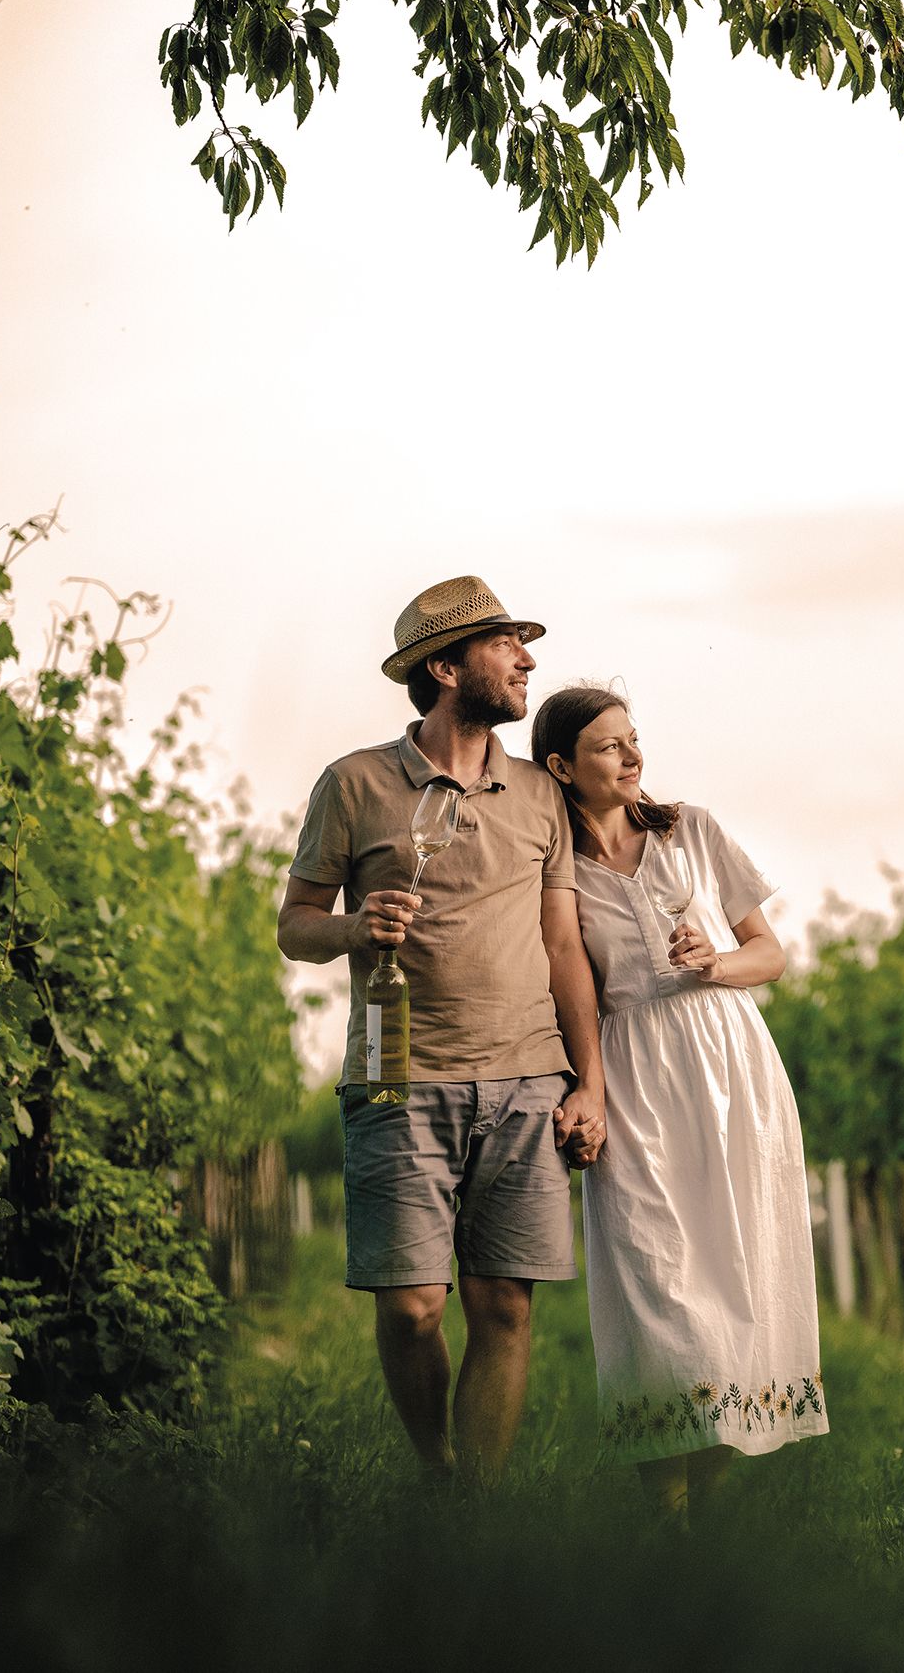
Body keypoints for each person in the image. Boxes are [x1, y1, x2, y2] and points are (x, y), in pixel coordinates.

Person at [278, 576, 608, 1484]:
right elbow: (295, 924)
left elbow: (563, 944)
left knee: (504, 1304)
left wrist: (591, 1081)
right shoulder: (353, 784)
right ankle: (437, 1469)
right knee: (414, 1306)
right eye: (506, 645)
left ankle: (476, 1510)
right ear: (447, 666)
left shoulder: (542, 794)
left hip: (528, 1078)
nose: (527, 659)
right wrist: (356, 925)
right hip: (395, 1070)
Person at [530, 682, 827, 1516]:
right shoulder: (557, 871)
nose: (634, 758)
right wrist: (585, 1085)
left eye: (634, 740)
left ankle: (710, 1520)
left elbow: (769, 955)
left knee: (736, 1274)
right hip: (632, 1071)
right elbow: (571, 984)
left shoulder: (690, 829)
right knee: (652, 1274)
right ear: (561, 767)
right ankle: (663, 1512)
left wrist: (715, 961)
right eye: (609, 747)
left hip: (730, 1066)